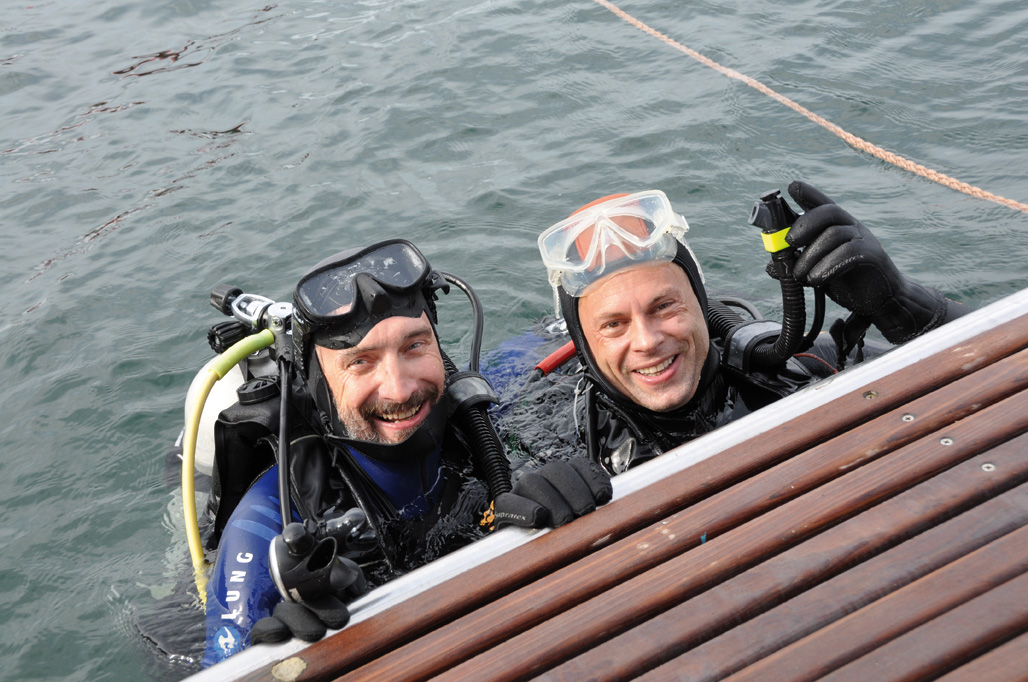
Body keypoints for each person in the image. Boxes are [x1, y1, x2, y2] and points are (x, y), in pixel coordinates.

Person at [200, 239, 611, 665]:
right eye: (360, 362)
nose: (399, 389)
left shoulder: (473, 418)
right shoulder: (265, 524)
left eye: (414, 346)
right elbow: (223, 667)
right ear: (319, 388)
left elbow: (557, 335)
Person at [504, 181, 969, 475]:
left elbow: (985, 386)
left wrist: (907, 310)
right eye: (613, 324)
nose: (647, 340)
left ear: (700, 303)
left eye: (664, 307)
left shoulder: (792, 367)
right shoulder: (551, 438)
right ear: (584, 343)